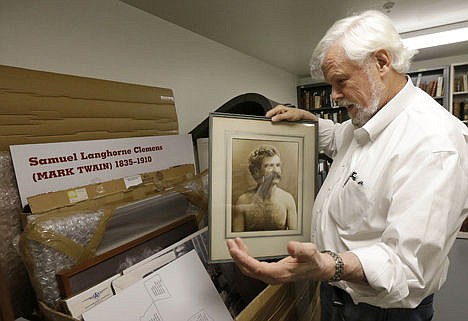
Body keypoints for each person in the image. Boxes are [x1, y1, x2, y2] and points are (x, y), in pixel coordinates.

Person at [227, 10, 468, 321]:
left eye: (340, 81)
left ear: (382, 62)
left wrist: (329, 265)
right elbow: (343, 138)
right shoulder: (369, 117)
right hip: (337, 293)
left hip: (381, 312)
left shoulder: (435, 145)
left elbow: (407, 268)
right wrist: (311, 121)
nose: (334, 96)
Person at [232, 144, 297, 232]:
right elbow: (236, 240)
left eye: (278, 165)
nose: (276, 171)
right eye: (269, 166)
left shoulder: (287, 200)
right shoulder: (243, 201)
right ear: (257, 171)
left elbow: (295, 239)